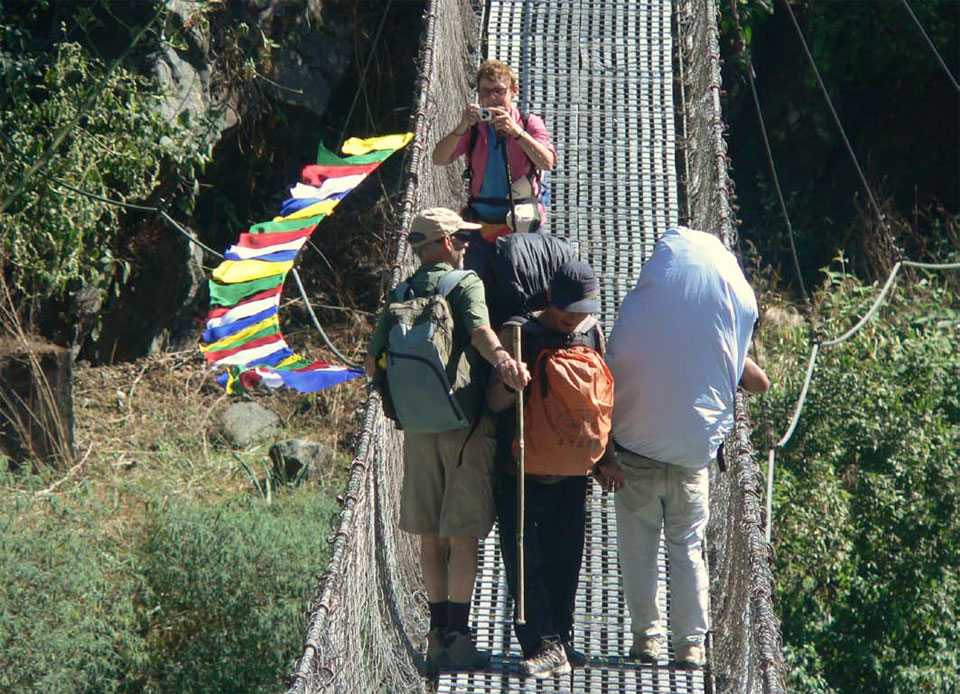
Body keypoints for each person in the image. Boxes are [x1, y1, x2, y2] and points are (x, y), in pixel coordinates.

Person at [595, 227, 770, 670]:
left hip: (635, 453)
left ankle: (645, 639)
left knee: (639, 548)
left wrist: (606, 452)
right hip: (692, 459)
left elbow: (619, 361)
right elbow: (760, 384)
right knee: (687, 549)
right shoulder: (720, 335)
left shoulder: (643, 314)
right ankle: (690, 644)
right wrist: (732, 357)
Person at [365, 207, 530, 672]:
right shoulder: (464, 283)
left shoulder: (400, 292)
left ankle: (437, 635)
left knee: (431, 534)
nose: (465, 245)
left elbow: (372, 362)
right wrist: (504, 363)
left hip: (417, 429)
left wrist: (404, 404)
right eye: (459, 238)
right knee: (462, 534)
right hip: (465, 424)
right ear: (442, 243)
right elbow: (480, 332)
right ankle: (459, 635)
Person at [487, 260, 608, 679]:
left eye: (582, 308)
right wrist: (508, 380)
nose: (574, 316)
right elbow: (493, 404)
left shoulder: (590, 332)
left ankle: (562, 636)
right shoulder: (519, 333)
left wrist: (605, 459)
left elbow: (600, 402)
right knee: (523, 559)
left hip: (573, 471)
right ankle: (540, 643)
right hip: (519, 469)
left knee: (567, 556)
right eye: (568, 308)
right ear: (551, 297)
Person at [432, 60, 556, 286]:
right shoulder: (474, 128)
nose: (493, 98)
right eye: (486, 93)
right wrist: (462, 126)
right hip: (481, 223)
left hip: (523, 221)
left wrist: (516, 132)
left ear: (513, 92)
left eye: (499, 91)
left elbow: (547, 162)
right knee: (477, 288)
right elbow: (438, 158)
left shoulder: (529, 123)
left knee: (531, 287)